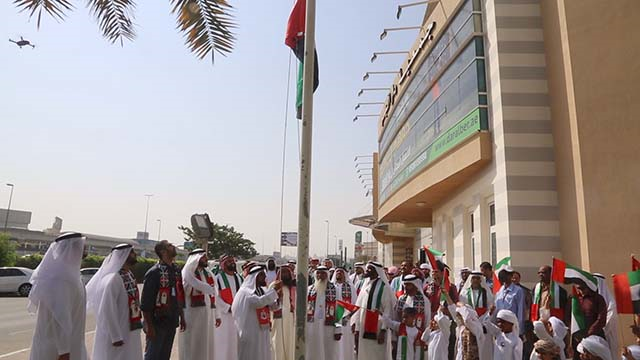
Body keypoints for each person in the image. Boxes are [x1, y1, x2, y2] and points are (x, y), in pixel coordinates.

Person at [28, 232, 88, 360]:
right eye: (82, 245)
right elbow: (60, 318)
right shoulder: (60, 278)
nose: (85, 249)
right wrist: (64, 351)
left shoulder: (73, 275)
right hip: (56, 350)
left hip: (72, 345)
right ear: (72, 248)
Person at [87, 243, 143, 360]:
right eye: (132, 253)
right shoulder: (113, 278)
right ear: (125, 255)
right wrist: (115, 336)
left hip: (131, 329)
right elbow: (107, 309)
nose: (135, 255)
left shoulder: (129, 274)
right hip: (118, 334)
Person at [140, 240, 186, 360]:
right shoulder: (154, 273)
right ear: (163, 251)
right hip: (157, 323)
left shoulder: (176, 270)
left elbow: (179, 295)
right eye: (170, 246)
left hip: (172, 320)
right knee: (153, 355)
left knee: (165, 356)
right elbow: (146, 303)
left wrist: (182, 316)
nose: (173, 246)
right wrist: (149, 326)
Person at [232, 265, 282, 360]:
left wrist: (279, 296)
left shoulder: (262, 290)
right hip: (250, 331)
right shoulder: (245, 292)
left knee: (262, 354)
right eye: (262, 275)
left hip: (262, 330)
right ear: (255, 277)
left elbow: (273, 306)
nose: (265, 277)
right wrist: (274, 291)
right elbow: (258, 303)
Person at [179, 249, 221, 360]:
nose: (206, 259)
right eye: (203, 257)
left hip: (207, 315)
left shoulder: (208, 273)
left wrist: (217, 315)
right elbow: (184, 291)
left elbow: (215, 294)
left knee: (205, 343)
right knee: (192, 342)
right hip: (192, 315)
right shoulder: (187, 273)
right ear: (196, 259)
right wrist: (198, 287)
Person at [350, 261, 396, 360]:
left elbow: (387, 310)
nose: (367, 270)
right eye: (367, 268)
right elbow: (358, 305)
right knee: (364, 354)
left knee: (377, 354)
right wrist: (355, 323)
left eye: (370, 269)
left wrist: (383, 330)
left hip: (378, 329)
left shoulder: (384, 288)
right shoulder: (365, 285)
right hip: (363, 327)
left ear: (377, 272)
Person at [306, 266, 342, 359]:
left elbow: (340, 311)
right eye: (318, 273)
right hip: (312, 327)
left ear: (327, 275)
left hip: (328, 328)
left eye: (323, 273)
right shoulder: (309, 289)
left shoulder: (335, 289)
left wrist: (338, 329)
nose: (320, 276)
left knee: (329, 352)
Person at [394, 274, 430, 359]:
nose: (406, 287)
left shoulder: (424, 300)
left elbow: (427, 320)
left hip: (418, 336)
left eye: (409, 285)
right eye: (405, 285)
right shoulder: (401, 299)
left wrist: (426, 338)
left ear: (415, 285)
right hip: (403, 336)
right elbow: (396, 317)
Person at [214, 254, 243, 360]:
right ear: (223, 264)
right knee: (223, 343)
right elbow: (215, 297)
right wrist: (228, 307)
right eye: (228, 261)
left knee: (236, 342)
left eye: (233, 261)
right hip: (224, 316)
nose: (232, 263)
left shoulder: (239, 278)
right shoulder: (218, 279)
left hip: (238, 316)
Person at [571, 279, 607, 355]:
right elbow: (569, 318)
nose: (581, 291)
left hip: (595, 336)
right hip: (578, 338)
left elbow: (601, 319)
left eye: (583, 288)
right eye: (579, 288)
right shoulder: (574, 299)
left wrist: (589, 333)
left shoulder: (597, 298)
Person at [272, 265, 296, 360]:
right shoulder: (273, 286)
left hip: (290, 319)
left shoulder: (294, 288)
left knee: (290, 342)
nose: (285, 275)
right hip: (277, 319)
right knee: (278, 342)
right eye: (283, 273)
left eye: (287, 273)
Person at [593, 273, 620, 360]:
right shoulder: (593, 301)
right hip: (595, 338)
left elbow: (609, 321)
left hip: (608, 338)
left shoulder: (611, 303)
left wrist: (596, 331)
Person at [332, 267, 356, 360]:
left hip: (347, 320)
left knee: (346, 344)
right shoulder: (331, 287)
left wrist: (353, 321)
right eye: (337, 272)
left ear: (345, 275)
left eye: (341, 272)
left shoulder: (351, 287)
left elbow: (355, 304)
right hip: (333, 319)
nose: (339, 274)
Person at [494, 266, 525, 335]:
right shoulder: (500, 290)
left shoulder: (518, 290)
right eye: (502, 274)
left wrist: (519, 330)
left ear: (511, 276)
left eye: (506, 274)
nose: (504, 276)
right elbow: (496, 309)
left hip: (512, 327)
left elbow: (521, 311)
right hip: (500, 327)